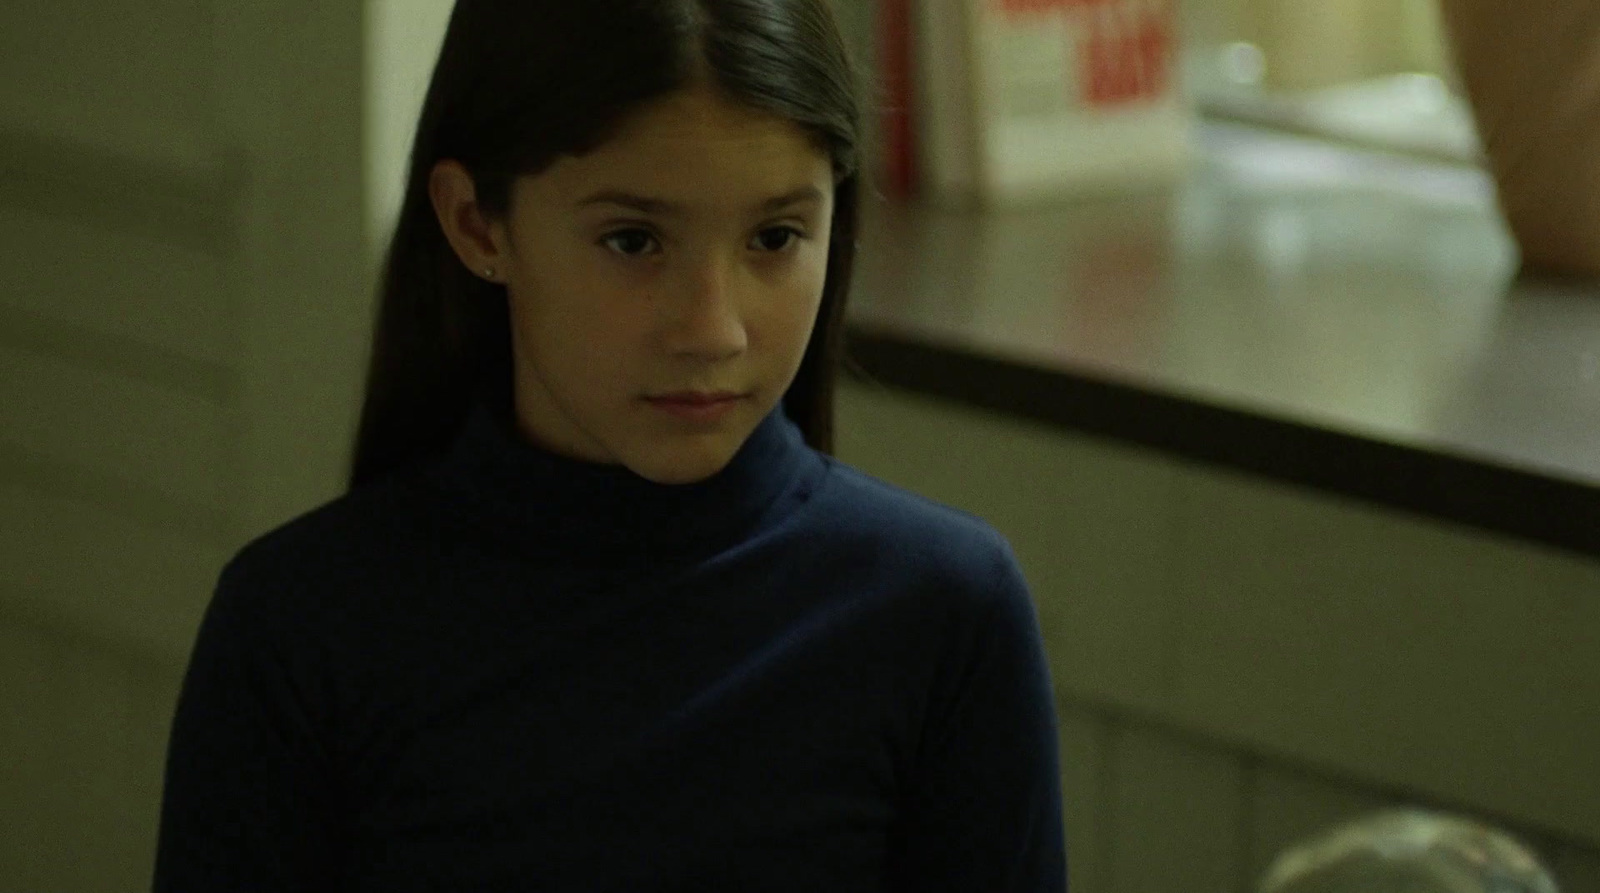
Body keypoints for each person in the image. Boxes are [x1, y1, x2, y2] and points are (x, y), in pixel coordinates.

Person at [150, 2, 1067, 891]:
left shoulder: (944, 615)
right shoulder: (302, 629)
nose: (713, 331)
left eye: (776, 236)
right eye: (633, 240)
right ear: (478, 224)